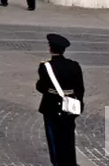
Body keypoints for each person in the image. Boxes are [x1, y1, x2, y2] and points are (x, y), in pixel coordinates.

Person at [36, 33, 84, 166]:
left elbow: (41, 87)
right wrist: (79, 105)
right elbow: (80, 88)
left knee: (53, 137)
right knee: (68, 136)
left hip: (51, 105)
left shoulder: (46, 66)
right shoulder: (74, 65)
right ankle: (70, 162)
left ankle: (57, 162)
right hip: (70, 106)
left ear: (50, 48)